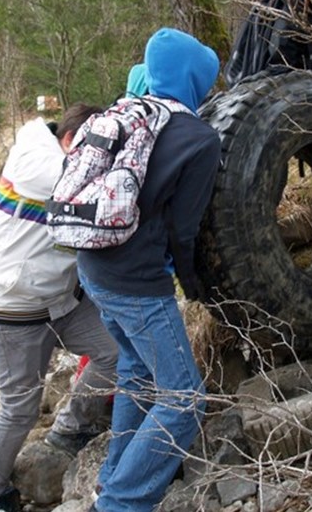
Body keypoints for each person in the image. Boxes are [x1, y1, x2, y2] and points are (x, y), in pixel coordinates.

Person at [77, 27, 221, 512]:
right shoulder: (198, 137)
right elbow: (184, 230)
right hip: (136, 281)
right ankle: (119, 503)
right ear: (193, 78)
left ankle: (111, 477)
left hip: (92, 266)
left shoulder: (129, 112)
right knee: (184, 398)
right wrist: (194, 283)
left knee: (138, 373)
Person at [0, 104, 118, 512]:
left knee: (113, 351)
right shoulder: (38, 160)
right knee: (20, 407)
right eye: (95, 151)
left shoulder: (62, 157)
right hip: (10, 305)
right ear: (70, 141)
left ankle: (72, 427)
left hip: (58, 299)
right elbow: (104, 194)